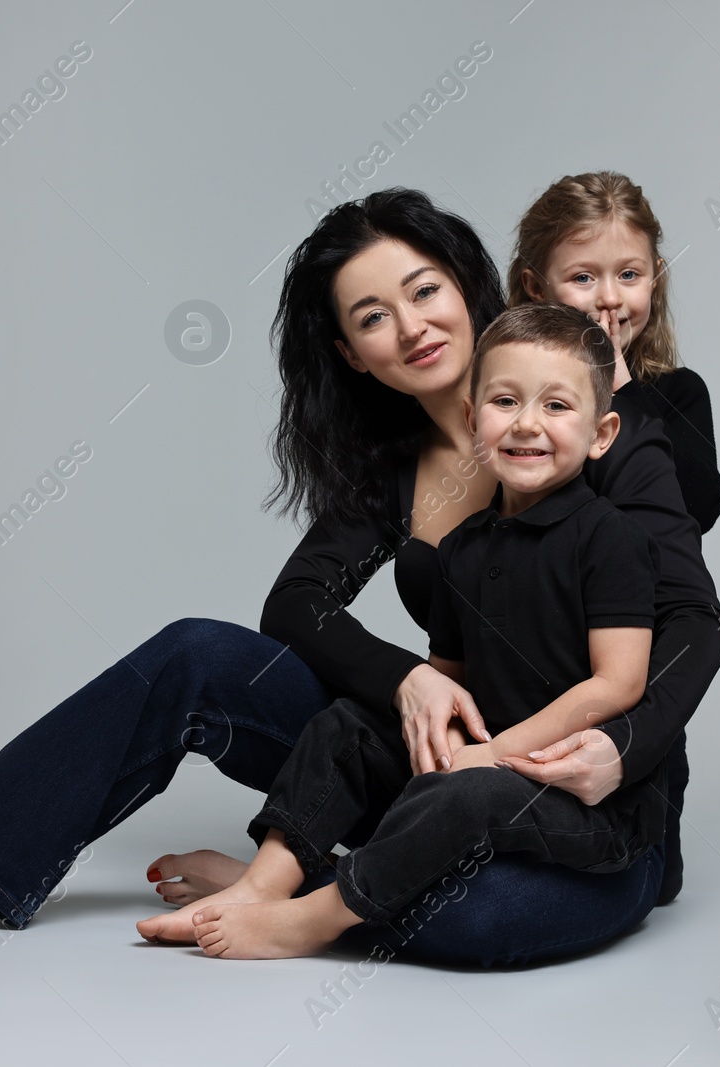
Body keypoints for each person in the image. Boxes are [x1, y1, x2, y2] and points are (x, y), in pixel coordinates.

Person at [0, 188, 720, 967]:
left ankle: (303, 882)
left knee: (474, 918)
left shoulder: (604, 425)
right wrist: (409, 677)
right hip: (444, 762)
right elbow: (293, 606)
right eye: (372, 316)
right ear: (352, 354)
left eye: (425, 289)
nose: (413, 326)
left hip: (583, 790)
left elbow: (693, 625)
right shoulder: (395, 473)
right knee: (197, 654)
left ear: (470, 286)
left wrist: (619, 743)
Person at [137, 302, 667, 959]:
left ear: (601, 432)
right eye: (505, 401)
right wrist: (436, 740)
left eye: (557, 406)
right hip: (482, 765)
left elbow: (620, 681)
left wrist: (495, 753)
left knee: (470, 801)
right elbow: (450, 679)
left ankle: (311, 918)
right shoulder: (464, 547)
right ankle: (262, 883)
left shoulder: (610, 538)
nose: (528, 422)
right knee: (349, 727)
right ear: (474, 421)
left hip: (585, 804)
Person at [509, 170, 720, 902]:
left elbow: (701, 503)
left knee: (642, 874)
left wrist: (619, 385)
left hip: (644, 688)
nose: (609, 297)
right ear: (536, 288)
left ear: (653, 282)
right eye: (584, 277)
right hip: (538, 671)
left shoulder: (673, 394)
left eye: (629, 275)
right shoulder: (523, 410)